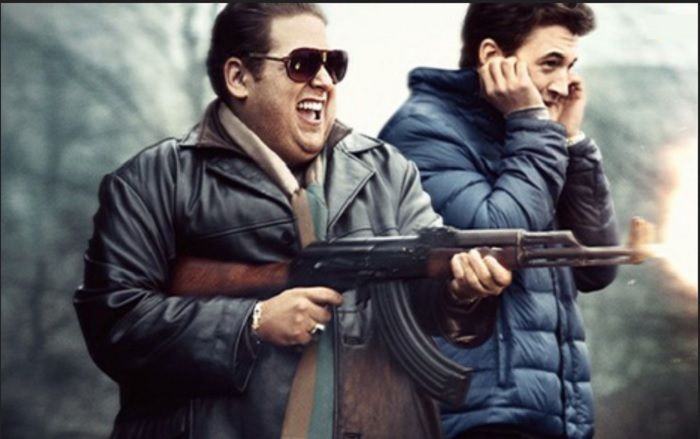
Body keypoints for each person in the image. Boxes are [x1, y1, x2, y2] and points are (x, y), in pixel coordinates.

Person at [74, 3, 513, 439]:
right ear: (239, 78)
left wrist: (460, 293)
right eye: (302, 64)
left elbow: (424, 304)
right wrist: (253, 321)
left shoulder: (387, 171)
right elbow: (115, 323)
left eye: (333, 64)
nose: (323, 80)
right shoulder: (155, 180)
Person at [379, 3, 619, 439]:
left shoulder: (533, 136)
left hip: (553, 415)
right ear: (492, 56)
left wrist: (572, 143)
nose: (563, 84)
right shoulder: (424, 131)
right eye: (550, 63)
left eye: (570, 66)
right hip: (481, 419)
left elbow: (596, 268)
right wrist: (533, 126)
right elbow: (501, 242)